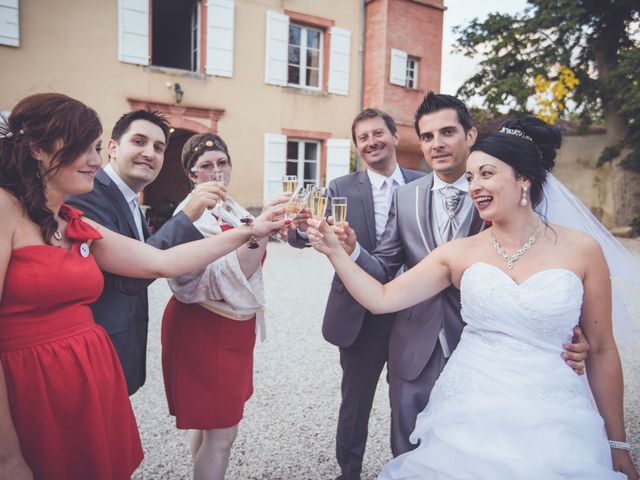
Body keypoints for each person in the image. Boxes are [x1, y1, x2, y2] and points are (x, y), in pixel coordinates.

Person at [309, 116, 639, 479]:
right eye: (470, 177)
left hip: (556, 411)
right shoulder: (460, 252)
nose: (474, 186)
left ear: (523, 179)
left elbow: (604, 349)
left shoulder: (582, 250)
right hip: (469, 410)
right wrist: (335, 253)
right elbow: (382, 298)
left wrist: (617, 443)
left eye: (486, 174)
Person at [0, 93, 284, 479]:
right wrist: (8, 457)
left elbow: (161, 261)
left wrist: (253, 229)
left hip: (91, 376)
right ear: (36, 148)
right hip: (33, 379)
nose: (95, 161)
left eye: (96, 148)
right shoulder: (5, 209)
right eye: (83, 149)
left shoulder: (70, 220)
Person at [335, 92, 588, 456]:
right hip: (414, 345)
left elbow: (549, 269)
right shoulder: (405, 197)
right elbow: (386, 269)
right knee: (411, 453)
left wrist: (572, 332)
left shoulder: (504, 191)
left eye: (447, 132)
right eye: (426, 136)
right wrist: (351, 251)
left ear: (470, 136)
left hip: (485, 350)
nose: (436, 144)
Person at [288, 109, 424, 479]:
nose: (371, 142)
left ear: (396, 137)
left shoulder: (422, 184)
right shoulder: (340, 187)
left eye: (378, 133)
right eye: (362, 138)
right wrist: (301, 229)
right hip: (358, 313)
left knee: (411, 400)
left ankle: (412, 467)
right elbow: (301, 236)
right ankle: (349, 471)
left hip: (411, 313)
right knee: (355, 402)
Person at [67, 110, 225, 395]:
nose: (149, 153)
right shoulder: (89, 195)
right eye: (139, 142)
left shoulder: (127, 197)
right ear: (113, 148)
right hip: (95, 352)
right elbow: (132, 277)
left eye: (158, 148)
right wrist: (189, 215)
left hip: (123, 342)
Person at [161, 133, 289, 479]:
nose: (216, 172)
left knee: (208, 425)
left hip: (233, 328)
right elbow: (226, 275)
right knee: (223, 434)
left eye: (222, 163)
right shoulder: (189, 214)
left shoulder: (230, 206)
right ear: (192, 174)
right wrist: (259, 232)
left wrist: (268, 220)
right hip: (204, 328)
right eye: (206, 166)